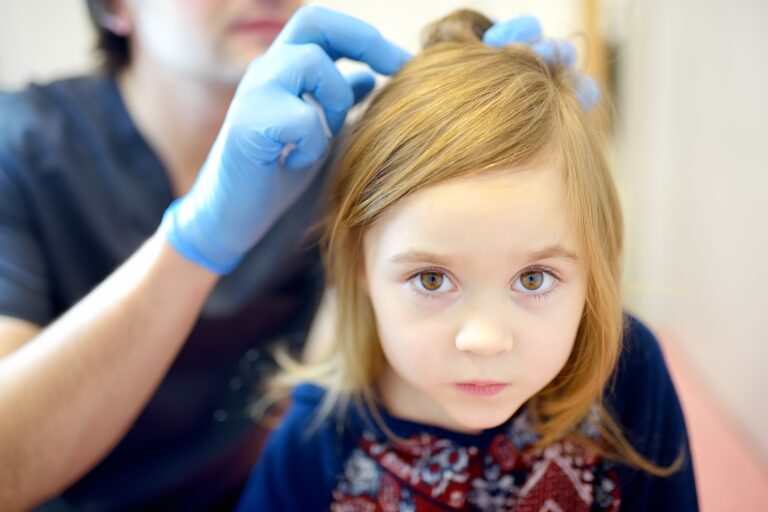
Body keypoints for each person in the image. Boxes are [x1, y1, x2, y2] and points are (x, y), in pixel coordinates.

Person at [0, 1, 589, 510]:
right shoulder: (21, 149)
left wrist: (530, 130)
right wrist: (196, 242)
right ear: (115, 7)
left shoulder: (332, 152)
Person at [236, 9, 698, 511]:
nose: (484, 339)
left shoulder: (627, 378)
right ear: (357, 267)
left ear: (593, 267)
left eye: (534, 277)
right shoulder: (315, 445)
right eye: (432, 279)